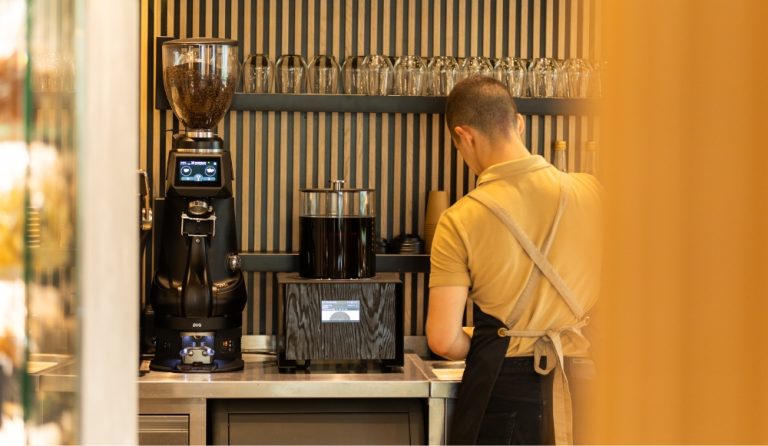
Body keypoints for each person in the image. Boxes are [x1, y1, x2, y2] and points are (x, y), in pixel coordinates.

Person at [426, 76, 602, 445]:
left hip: (505, 392)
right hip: (586, 387)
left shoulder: (459, 220)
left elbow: (442, 339)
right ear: (519, 123)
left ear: (464, 137)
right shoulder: (592, 193)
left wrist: (494, 344)